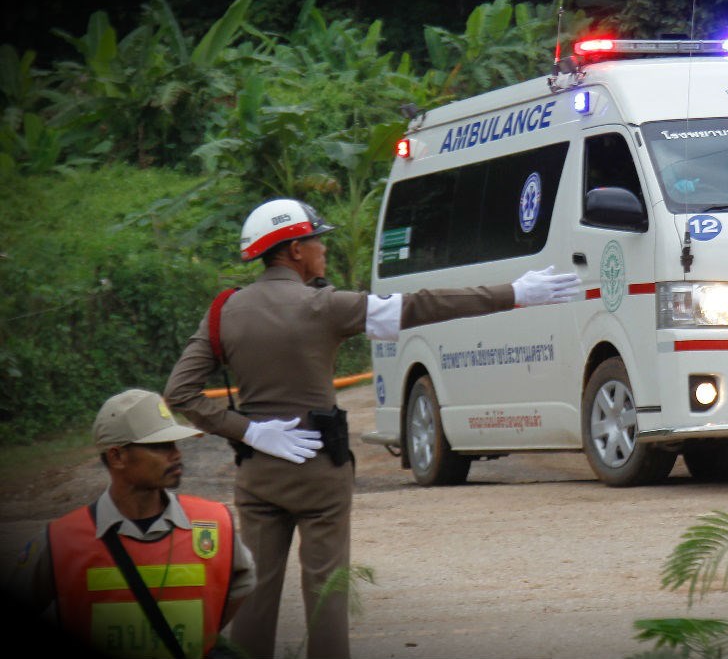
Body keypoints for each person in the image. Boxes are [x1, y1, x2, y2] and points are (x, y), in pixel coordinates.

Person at [162, 197, 580, 659]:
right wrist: (515, 293)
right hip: (320, 472)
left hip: (258, 474)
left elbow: (180, 393)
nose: (323, 249)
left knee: (255, 596)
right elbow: (425, 306)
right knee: (327, 593)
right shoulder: (326, 305)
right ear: (295, 250)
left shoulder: (226, 312)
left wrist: (251, 432)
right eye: (318, 240)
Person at [7, 389, 256, 658]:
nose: (176, 455)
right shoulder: (60, 540)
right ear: (117, 457)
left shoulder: (215, 523)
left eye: (174, 444)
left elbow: (242, 583)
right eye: (160, 446)